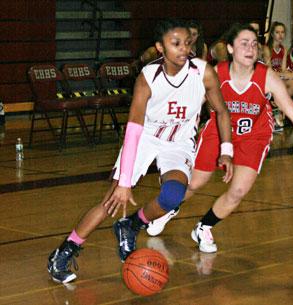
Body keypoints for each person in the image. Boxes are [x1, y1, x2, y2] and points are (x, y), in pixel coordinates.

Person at [47, 19, 233, 284]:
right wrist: (124, 183)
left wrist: (226, 149)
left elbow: (222, 111)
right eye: (175, 43)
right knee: (111, 200)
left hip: (178, 141)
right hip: (145, 138)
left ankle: (132, 224)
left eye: (188, 43)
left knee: (173, 195)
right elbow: (133, 129)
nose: (184, 49)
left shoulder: (203, 72)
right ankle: (63, 252)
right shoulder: (148, 77)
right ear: (160, 47)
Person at [146, 23, 293, 253]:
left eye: (254, 44)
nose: (250, 48)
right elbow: (191, 105)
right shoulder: (217, 73)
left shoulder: (266, 77)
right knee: (195, 182)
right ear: (231, 48)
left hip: (254, 136)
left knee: (238, 191)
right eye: (244, 43)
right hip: (218, 131)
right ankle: (169, 209)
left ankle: (203, 227)